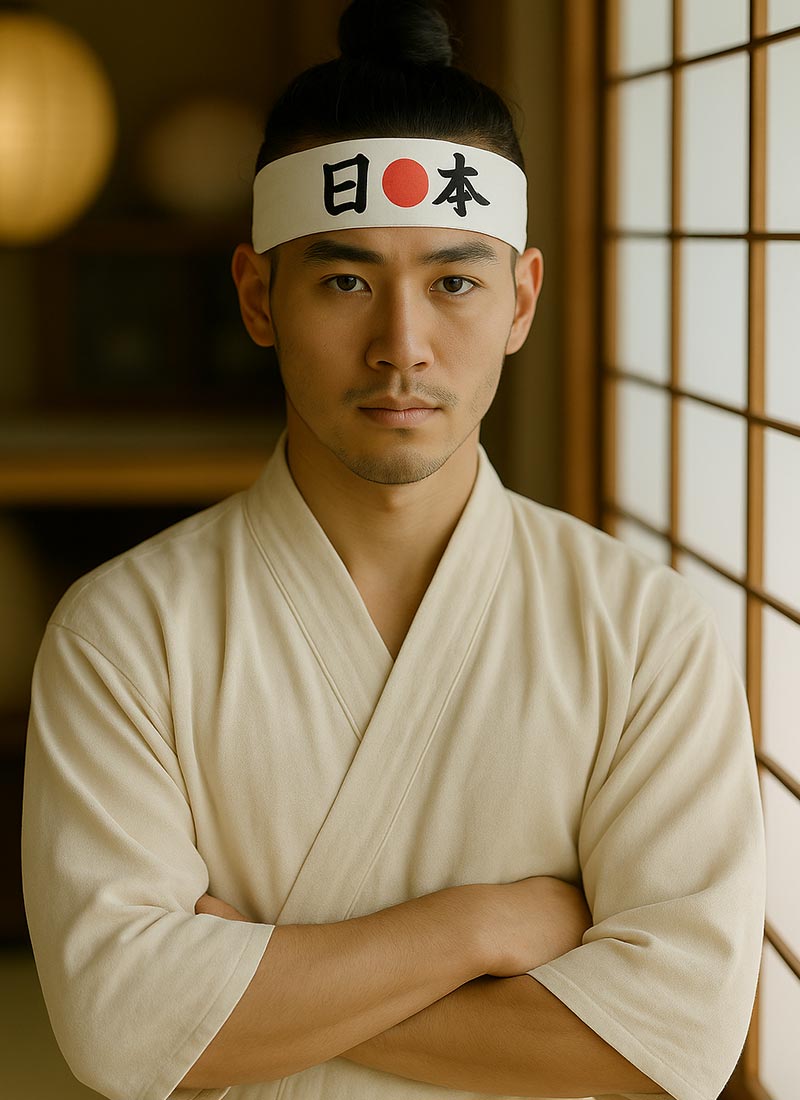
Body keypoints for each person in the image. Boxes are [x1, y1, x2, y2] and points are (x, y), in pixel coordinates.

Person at [20, 2, 765, 1099]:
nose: (401, 346)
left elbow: (679, 1044)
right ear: (256, 296)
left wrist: (250, 974)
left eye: (454, 281)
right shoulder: (126, 628)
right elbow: (121, 1030)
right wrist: (482, 925)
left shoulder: (643, 628)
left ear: (519, 299)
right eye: (344, 279)